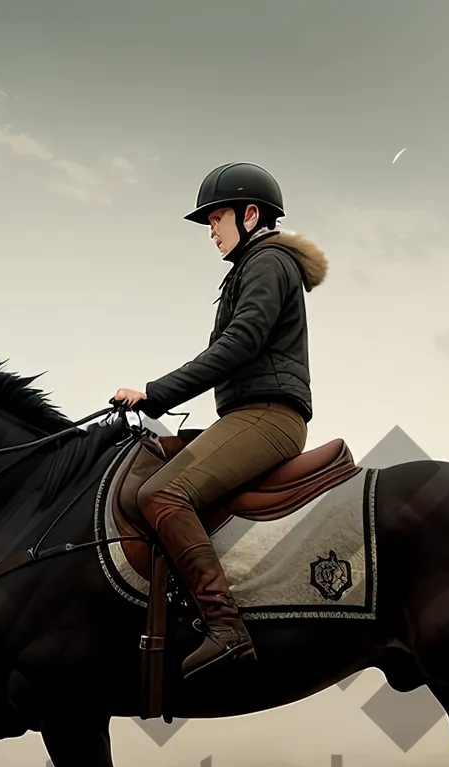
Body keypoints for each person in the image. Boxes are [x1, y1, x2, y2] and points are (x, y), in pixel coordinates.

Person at [114, 162, 328, 679]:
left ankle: (226, 629)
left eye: (216, 217)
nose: (210, 229)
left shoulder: (266, 262)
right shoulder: (251, 266)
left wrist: (155, 393)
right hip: (247, 413)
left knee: (161, 495)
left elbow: (241, 343)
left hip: (268, 416)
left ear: (250, 214)